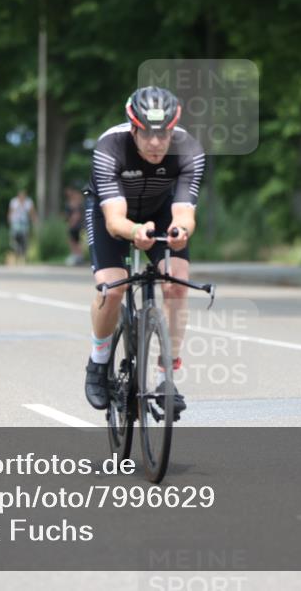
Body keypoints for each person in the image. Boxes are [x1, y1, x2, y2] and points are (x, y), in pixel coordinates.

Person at [83, 86, 205, 416]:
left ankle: (167, 378)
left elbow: (184, 213)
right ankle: (98, 361)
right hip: (111, 212)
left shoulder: (189, 150)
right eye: (147, 133)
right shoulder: (110, 147)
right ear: (133, 128)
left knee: (177, 283)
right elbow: (114, 221)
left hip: (160, 209)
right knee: (112, 288)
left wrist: (180, 232)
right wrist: (135, 231)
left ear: (172, 130)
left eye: (162, 134)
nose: (155, 143)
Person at [7, 188, 37, 264]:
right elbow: (10, 212)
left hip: (24, 223)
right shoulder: (14, 202)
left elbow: (32, 212)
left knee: (24, 239)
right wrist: (9, 219)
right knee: (15, 238)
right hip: (15, 222)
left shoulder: (28, 202)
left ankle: (23, 256)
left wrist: (34, 219)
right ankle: (16, 253)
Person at [64, 184, 85, 266]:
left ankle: (78, 257)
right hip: (73, 224)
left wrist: (71, 223)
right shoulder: (70, 202)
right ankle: (76, 256)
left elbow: (76, 215)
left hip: (75, 225)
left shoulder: (76, 202)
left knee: (75, 241)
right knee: (73, 241)